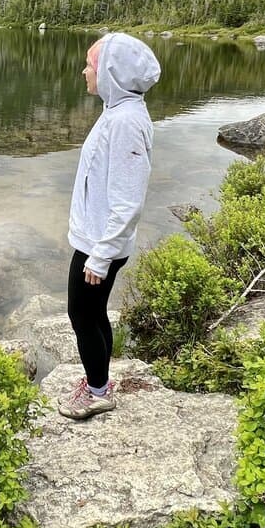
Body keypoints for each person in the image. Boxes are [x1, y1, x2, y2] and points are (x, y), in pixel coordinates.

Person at [58, 31, 161, 419]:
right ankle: (98, 381)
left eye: (91, 65)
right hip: (97, 238)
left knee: (82, 314)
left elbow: (128, 200)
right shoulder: (116, 112)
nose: (85, 71)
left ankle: (98, 391)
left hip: (100, 244)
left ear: (112, 74)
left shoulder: (126, 123)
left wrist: (100, 257)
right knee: (93, 312)